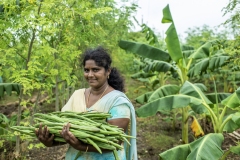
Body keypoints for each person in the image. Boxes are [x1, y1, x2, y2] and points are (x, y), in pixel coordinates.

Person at [35, 46, 137, 160]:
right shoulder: (77, 95)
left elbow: (114, 142)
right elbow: (65, 135)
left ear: (108, 71)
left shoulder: (118, 102)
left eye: (95, 69)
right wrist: (49, 142)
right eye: (86, 70)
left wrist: (81, 146)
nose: (90, 75)